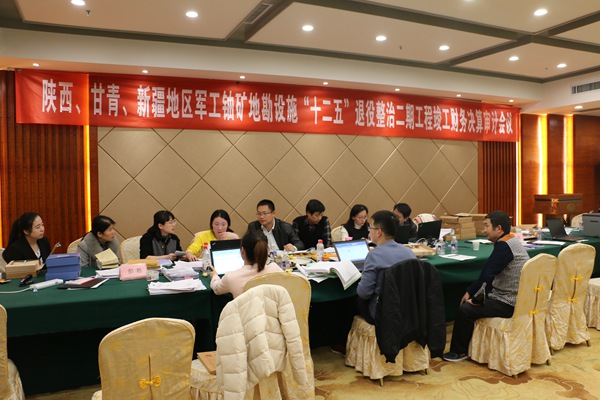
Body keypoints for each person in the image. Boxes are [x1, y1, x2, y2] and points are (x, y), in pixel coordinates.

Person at [443, 210, 529, 362]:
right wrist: (471, 291)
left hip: (508, 302)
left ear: (499, 228)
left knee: (465, 310)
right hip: (519, 298)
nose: (484, 230)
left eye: (486, 226)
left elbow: (488, 275)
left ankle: (459, 352)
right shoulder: (512, 241)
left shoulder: (504, 246)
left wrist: (473, 297)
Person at [356, 210, 417, 324]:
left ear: (379, 232)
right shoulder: (409, 252)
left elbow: (364, 293)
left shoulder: (374, 255)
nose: (369, 231)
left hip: (382, 313)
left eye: (371, 227)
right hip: (407, 310)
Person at [210, 231, 282, 298]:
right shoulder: (275, 269)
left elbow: (217, 289)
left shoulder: (231, 277)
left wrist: (214, 276)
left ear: (243, 251)